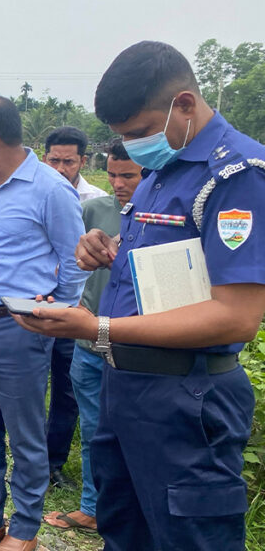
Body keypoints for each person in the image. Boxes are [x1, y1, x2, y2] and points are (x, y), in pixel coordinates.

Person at [15, 40, 265, 551]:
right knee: (124, 530)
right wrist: (107, 248)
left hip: (187, 398)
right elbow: (171, 260)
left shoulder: (236, 176)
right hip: (126, 388)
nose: (131, 146)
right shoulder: (163, 172)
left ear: (184, 105)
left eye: (138, 132)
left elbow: (236, 316)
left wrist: (97, 328)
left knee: (189, 538)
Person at [0, 96, 87, 551]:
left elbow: (75, 260)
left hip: (19, 327)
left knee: (24, 431)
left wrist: (55, 311)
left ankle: (24, 529)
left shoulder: (51, 190)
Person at [42, 139, 142, 535]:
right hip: (89, 344)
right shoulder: (94, 210)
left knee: (135, 434)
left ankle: (130, 512)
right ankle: (92, 507)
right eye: (113, 174)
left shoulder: (160, 217)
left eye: (128, 175)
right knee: (94, 431)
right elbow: (68, 261)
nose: (118, 183)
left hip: (136, 346)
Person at [42, 126, 106, 490]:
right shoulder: (36, 193)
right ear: (44, 158)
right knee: (29, 385)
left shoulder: (96, 202)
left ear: (82, 161)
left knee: (67, 390)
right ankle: (25, 458)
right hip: (38, 303)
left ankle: (53, 463)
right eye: (54, 160)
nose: (61, 168)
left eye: (68, 161)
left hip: (76, 310)